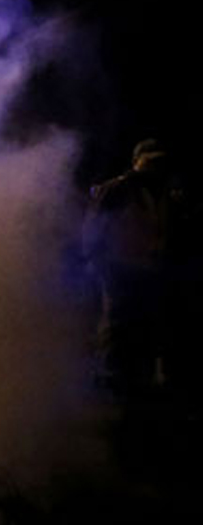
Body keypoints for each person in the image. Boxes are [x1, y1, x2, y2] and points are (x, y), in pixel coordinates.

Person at [83, 139, 186, 396]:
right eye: (149, 161)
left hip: (149, 266)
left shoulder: (164, 192)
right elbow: (94, 227)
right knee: (115, 323)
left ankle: (139, 377)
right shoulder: (116, 189)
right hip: (118, 266)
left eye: (159, 161)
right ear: (136, 161)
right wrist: (95, 260)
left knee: (147, 322)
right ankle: (108, 377)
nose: (154, 166)